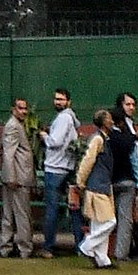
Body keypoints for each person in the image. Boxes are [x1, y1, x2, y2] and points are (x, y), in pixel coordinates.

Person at [39, 87, 83, 258]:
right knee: (74, 208)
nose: (58, 102)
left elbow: (55, 142)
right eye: (56, 99)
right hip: (69, 168)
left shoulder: (64, 117)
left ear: (68, 102)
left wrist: (44, 136)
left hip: (55, 168)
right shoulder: (71, 118)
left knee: (52, 209)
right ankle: (80, 245)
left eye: (61, 99)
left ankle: (48, 247)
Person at [76, 110, 117, 268]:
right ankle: (87, 246)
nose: (112, 122)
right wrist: (80, 181)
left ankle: (103, 260)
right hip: (97, 187)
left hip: (102, 185)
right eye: (109, 119)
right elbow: (88, 160)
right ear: (103, 122)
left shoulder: (104, 139)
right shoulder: (98, 139)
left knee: (99, 224)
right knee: (109, 222)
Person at [109, 94, 138, 262]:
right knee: (125, 219)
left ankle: (101, 250)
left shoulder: (104, 137)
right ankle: (121, 253)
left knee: (106, 219)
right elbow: (134, 161)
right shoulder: (128, 138)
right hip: (127, 179)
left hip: (109, 180)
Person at [0, 98, 35, 259]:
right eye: (20, 108)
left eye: (25, 109)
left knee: (10, 213)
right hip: (17, 178)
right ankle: (24, 247)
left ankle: (6, 247)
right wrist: (11, 177)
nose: (24, 112)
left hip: (15, 176)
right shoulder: (13, 126)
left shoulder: (15, 125)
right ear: (14, 109)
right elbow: (8, 153)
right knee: (21, 214)